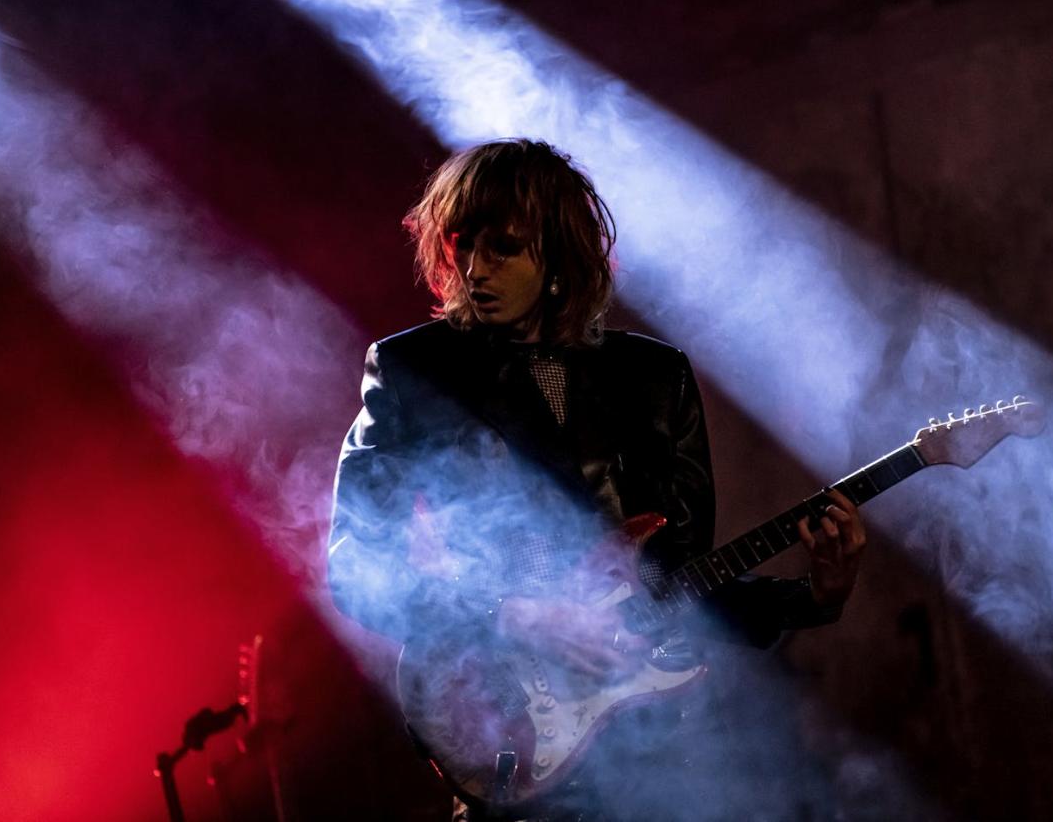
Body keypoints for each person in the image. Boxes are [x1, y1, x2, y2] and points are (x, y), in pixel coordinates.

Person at [327, 139, 867, 821]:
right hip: (515, 739)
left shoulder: (655, 378)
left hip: (666, 756)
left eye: (503, 247)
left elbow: (677, 589)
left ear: (558, 254)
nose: (473, 267)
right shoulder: (415, 372)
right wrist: (516, 613)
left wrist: (816, 593)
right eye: (462, 244)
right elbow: (357, 567)